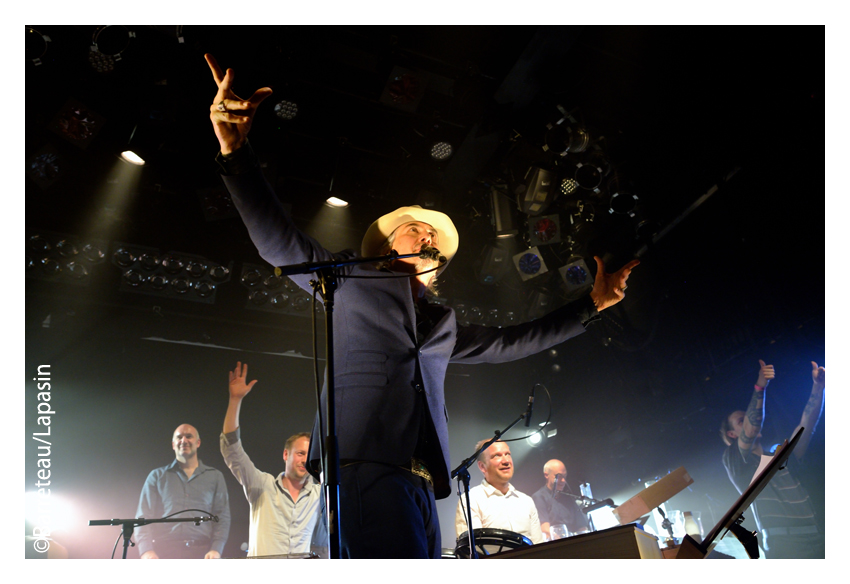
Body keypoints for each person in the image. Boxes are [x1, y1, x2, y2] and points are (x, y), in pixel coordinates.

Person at [205, 53, 639, 558]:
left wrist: (591, 304)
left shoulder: (441, 322)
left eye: (434, 235)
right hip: (362, 468)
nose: (429, 235)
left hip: (420, 480)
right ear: (390, 247)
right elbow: (280, 243)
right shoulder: (351, 280)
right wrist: (235, 152)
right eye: (417, 229)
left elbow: (513, 341)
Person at [720, 359, 825, 558]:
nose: (751, 421)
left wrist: (818, 389)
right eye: (741, 421)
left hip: (818, 535)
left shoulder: (778, 456)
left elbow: (807, 425)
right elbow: (752, 429)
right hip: (785, 544)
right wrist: (760, 387)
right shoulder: (734, 460)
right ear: (732, 435)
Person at [220, 362, 326, 557]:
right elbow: (232, 450)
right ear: (286, 455)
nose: (304, 460)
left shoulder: (319, 494)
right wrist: (235, 400)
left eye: (308, 455)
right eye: (300, 453)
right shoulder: (261, 485)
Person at [135, 424, 230, 559]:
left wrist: (216, 549)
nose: (184, 440)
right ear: (173, 444)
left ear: (198, 443)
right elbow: (143, 516)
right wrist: (146, 551)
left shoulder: (215, 477)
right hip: (163, 553)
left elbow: (222, 517)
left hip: (203, 554)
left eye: (189, 436)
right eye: (179, 437)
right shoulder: (156, 476)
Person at [454, 440, 543, 544]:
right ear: (482, 466)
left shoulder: (526, 501)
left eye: (508, 454)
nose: (506, 461)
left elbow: (539, 546)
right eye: (497, 455)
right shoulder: (470, 500)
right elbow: (472, 549)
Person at [531, 459, 590, 539]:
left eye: (565, 476)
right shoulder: (539, 497)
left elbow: (582, 527)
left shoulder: (569, 498)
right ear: (546, 475)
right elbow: (545, 532)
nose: (563, 481)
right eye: (559, 476)